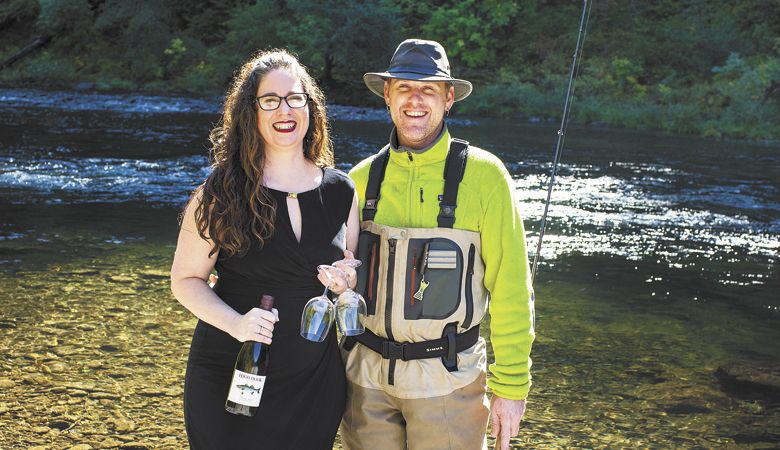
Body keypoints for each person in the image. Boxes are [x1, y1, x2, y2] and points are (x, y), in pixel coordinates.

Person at [339, 39, 536, 450]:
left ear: (448, 99)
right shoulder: (358, 180)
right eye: (404, 88)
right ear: (387, 96)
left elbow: (512, 289)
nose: (415, 99)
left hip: (450, 382)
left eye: (428, 89)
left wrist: (511, 387)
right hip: (364, 381)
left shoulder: (486, 177)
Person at [170, 49, 359, 449]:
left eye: (294, 98)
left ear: (311, 107)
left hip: (313, 376)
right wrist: (236, 323)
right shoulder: (220, 191)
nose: (284, 110)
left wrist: (344, 283)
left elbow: (348, 271)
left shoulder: (342, 190)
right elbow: (185, 280)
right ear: (251, 112)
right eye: (270, 100)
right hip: (230, 369)